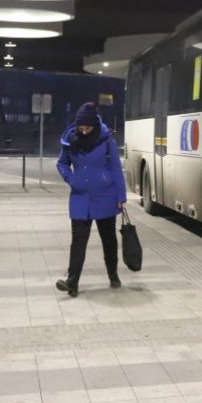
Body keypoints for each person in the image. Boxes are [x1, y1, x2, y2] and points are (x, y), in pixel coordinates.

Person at [54, 102, 127, 297]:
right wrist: (71, 179)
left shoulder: (106, 140)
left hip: (105, 196)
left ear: (94, 124)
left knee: (108, 239)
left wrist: (121, 196)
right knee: (78, 241)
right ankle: (72, 282)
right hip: (80, 197)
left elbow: (115, 168)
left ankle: (113, 275)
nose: (84, 131)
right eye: (81, 127)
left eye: (88, 127)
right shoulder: (70, 140)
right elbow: (61, 163)